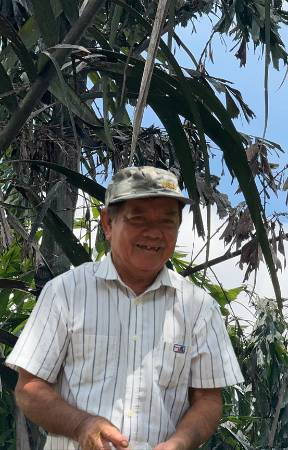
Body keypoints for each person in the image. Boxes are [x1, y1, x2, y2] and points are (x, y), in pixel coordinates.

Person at [6, 166, 244, 450]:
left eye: (167, 221)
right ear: (108, 222)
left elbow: (208, 400)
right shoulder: (65, 293)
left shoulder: (199, 308)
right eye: (138, 219)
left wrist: (179, 443)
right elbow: (29, 388)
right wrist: (82, 425)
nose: (154, 233)